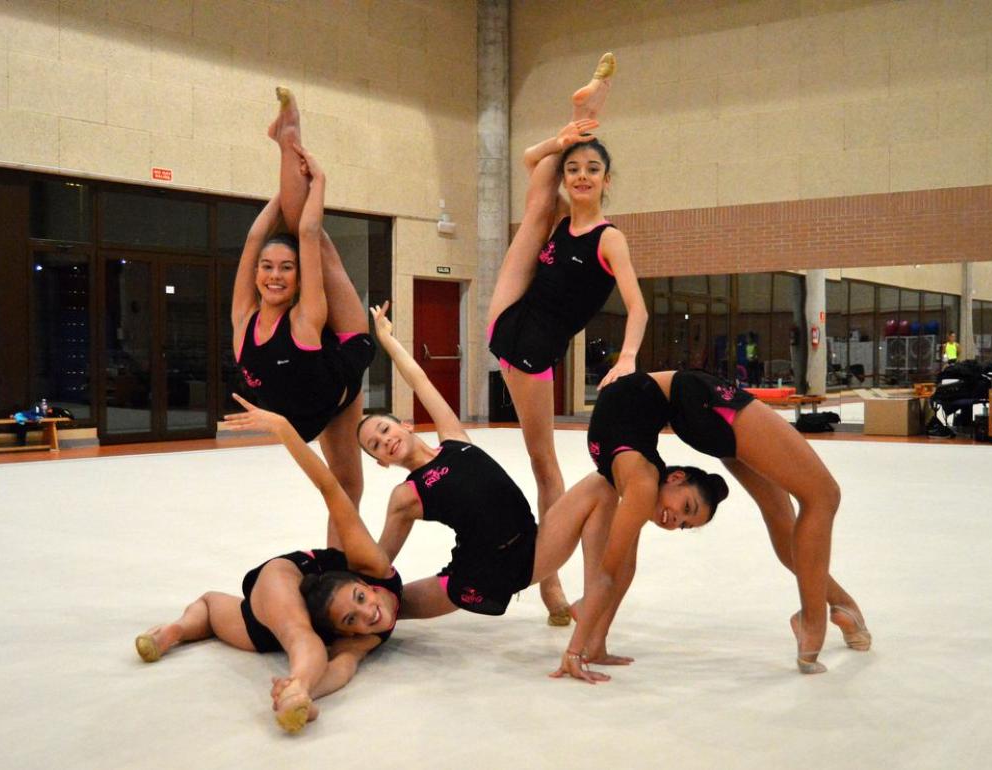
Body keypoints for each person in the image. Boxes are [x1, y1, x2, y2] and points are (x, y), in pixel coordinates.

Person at [553, 368, 871, 683]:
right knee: (823, 495)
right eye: (685, 517)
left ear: (676, 477)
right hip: (696, 403)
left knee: (787, 525)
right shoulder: (642, 483)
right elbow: (611, 571)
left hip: (690, 410)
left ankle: (841, 604)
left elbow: (619, 568)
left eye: (684, 517)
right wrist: (575, 651)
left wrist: (591, 643)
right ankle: (813, 623)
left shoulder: (637, 480)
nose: (672, 520)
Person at [359, 303, 629, 658]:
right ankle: (344, 629)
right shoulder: (406, 495)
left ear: (404, 424)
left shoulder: (454, 439)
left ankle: (593, 614)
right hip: (479, 574)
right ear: (380, 462)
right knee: (393, 606)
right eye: (375, 446)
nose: (385, 440)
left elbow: (420, 381)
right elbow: (381, 562)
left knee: (601, 484)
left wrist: (388, 340)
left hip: (534, 550)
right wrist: (360, 584)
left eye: (384, 429)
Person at [486, 53, 648, 624]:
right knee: (545, 466)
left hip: (529, 339)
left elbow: (637, 306)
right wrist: (560, 140)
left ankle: (587, 105)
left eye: (592, 169)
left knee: (543, 462)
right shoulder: (557, 218)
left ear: (606, 181)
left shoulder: (610, 239)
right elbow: (534, 160)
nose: (580, 176)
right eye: (574, 167)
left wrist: (627, 357)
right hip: (520, 328)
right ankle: (552, 588)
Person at [134, 395, 401, 734]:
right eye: (362, 600)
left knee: (212, 605)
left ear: (346, 631)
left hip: (274, 623)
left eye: (354, 618)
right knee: (297, 633)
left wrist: (305, 695)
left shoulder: (365, 633)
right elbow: (331, 487)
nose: (369, 614)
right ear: (365, 584)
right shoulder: (372, 565)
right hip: (286, 579)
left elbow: (344, 665)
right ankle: (296, 682)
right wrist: (284, 429)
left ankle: (174, 631)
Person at [232, 103, 373, 545]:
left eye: (286, 269)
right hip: (307, 406)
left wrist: (319, 183)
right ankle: (286, 138)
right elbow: (256, 239)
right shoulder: (242, 319)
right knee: (291, 222)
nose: (275, 275)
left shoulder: (307, 317)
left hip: (344, 363)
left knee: (347, 485)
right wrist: (284, 192)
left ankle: (339, 560)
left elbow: (308, 234)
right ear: (256, 274)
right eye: (268, 268)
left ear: (297, 281)